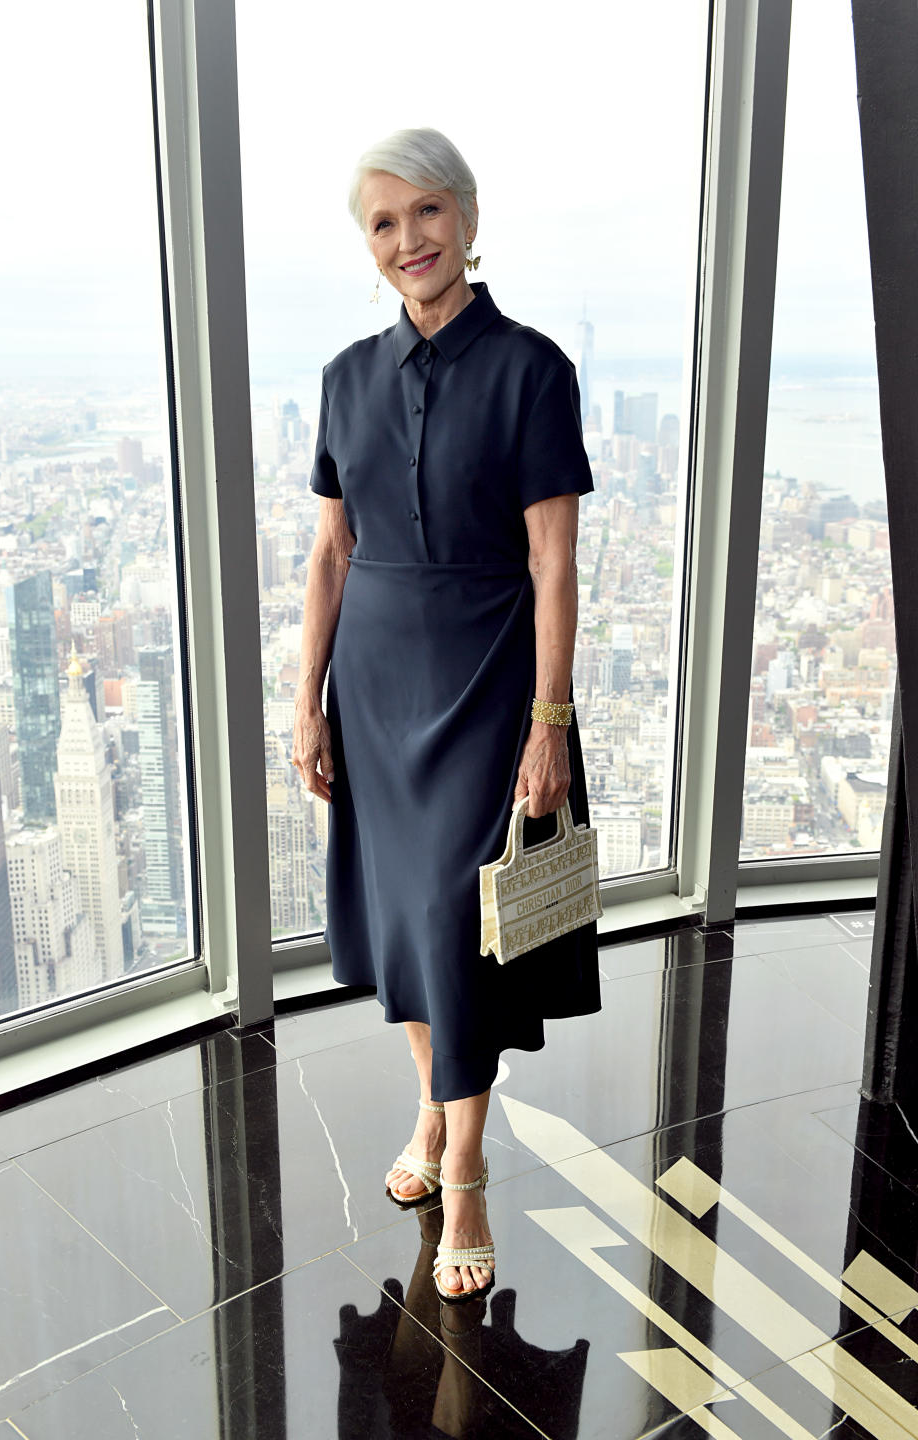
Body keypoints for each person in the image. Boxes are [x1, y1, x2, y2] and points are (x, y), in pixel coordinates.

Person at [292, 126, 601, 1302]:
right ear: (368, 247)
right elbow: (331, 551)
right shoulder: (343, 378)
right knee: (409, 930)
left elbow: (553, 563)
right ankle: (436, 1107)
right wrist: (307, 701)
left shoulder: (534, 368)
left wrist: (548, 721)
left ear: (468, 221)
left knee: (460, 932)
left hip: (486, 682)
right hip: (372, 685)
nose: (408, 240)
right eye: (384, 223)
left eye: (427, 214)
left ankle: (462, 1166)